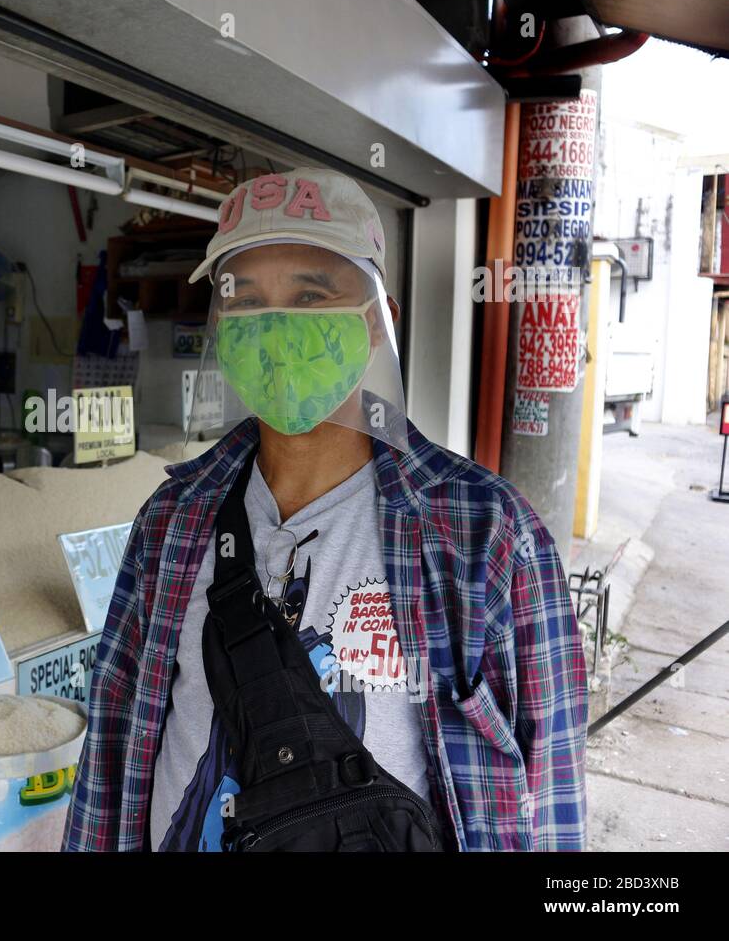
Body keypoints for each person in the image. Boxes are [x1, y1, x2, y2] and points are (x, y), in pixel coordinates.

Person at [62, 166, 588, 852]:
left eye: (310, 296)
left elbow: (550, 798)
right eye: (245, 300)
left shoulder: (485, 534)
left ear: (376, 322)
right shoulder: (172, 519)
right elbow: (112, 752)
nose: (273, 328)